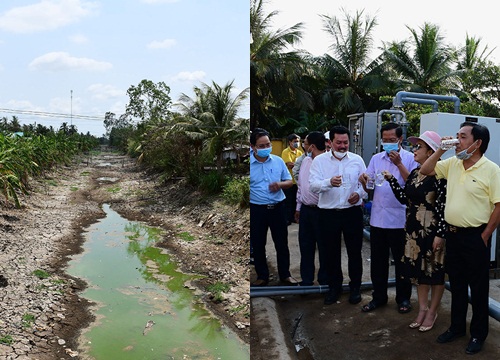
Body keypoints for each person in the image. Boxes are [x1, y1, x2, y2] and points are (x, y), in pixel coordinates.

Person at [420, 122, 500, 355]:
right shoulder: (453, 164)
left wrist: (486, 234)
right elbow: (425, 170)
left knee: (478, 288)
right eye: (456, 136)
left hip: (477, 237)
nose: (457, 141)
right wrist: (440, 149)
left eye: (462, 137)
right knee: (456, 285)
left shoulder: (491, 169)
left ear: (478, 143)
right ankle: (456, 327)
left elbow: (498, 206)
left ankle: (478, 334)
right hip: (453, 236)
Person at [383, 131, 447, 332]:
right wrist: (392, 181)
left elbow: (444, 207)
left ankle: (432, 311)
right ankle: (422, 309)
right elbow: (405, 198)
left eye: (419, 147)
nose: (414, 150)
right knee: (419, 273)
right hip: (412, 232)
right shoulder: (413, 173)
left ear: (431, 152)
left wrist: (441, 234)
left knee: (434, 273)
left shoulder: (441, 175)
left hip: (432, 231)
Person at [359, 122, 419, 314]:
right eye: (385, 140)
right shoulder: (376, 158)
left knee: (402, 261)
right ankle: (379, 297)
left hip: (400, 219)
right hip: (378, 218)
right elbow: (369, 184)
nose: (388, 144)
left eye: (392, 140)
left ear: (400, 140)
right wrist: (364, 181)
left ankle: (403, 298)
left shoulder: (410, 158)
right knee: (378, 261)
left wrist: (398, 163)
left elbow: (413, 183)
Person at [309, 126, 367, 305]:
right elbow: (313, 185)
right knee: (331, 253)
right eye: (339, 143)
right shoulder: (319, 161)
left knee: (355, 252)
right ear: (330, 142)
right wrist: (329, 182)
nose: (342, 146)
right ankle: (334, 287)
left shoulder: (357, 160)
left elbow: (365, 183)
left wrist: (359, 194)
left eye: (346, 143)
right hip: (328, 213)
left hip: (352, 213)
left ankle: (355, 287)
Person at [250, 128, 298, 286]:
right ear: (253, 147)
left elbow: (289, 182)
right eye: (261, 146)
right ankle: (262, 276)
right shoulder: (249, 164)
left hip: (278, 208)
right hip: (257, 210)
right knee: (258, 244)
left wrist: (280, 184)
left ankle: (285, 275)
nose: (266, 148)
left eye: (268, 144)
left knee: (282, 243)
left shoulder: (277, 161)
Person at [295, 131, 327, 286]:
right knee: (306, 246)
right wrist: (298, 207)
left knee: (324, 248)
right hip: (307, 210)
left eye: (305, 144)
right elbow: (301, 186)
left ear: (312, 146)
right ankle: (306, 280)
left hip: (323, 211)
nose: (303, 146)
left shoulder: (329, 162)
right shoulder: (306, 162)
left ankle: (324, 280)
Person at [282, 133, 303, 225]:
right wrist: (298, 164)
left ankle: (294, 217)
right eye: (295, 141)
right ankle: (287, 219)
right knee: (288, 201)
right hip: (288, 180)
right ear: (290, 142)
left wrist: (296, 165)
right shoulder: (286, 152)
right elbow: (289, 164)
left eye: (298, 142)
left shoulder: (299, 152)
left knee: (295, 201)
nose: (297, 143)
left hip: (297, 181)